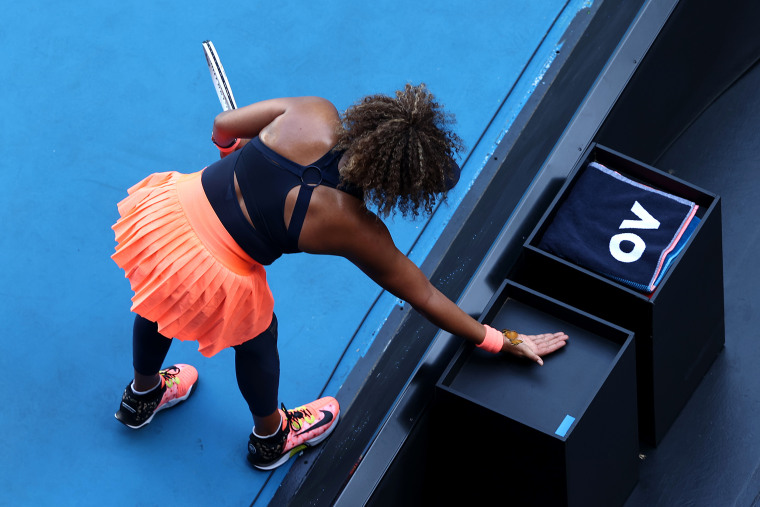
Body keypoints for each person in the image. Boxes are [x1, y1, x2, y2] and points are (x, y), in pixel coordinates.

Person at [111, 83, 568, 471]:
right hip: (215, 266)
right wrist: (497, 339)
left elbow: (223, 124)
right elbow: (424, 295)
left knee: (160, 296)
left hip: (168, 219)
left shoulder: (313, 112)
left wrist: (232, 150)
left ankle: (142, 395)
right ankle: (272, 437)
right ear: (398, 188)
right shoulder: (355, 226)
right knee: (257, 332)